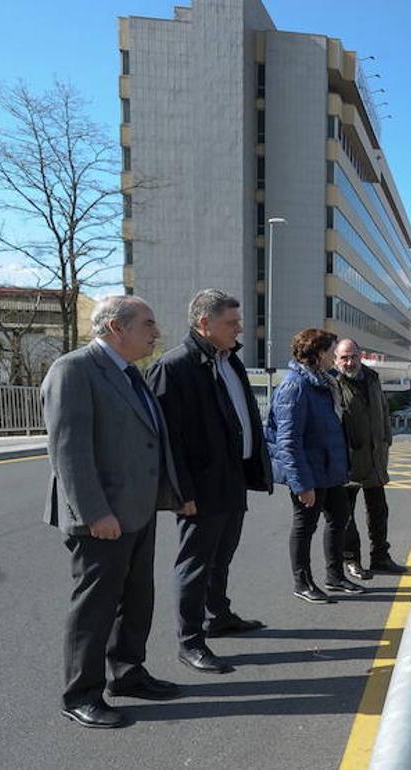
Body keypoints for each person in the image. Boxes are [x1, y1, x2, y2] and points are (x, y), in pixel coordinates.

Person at [42, 296, 182, 729]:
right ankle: (81, 693)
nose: (155, 333)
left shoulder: (129, 373)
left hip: (136, 511)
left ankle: (128, 672)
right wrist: (93, 513)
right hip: (102, 517)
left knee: (137, 597)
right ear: (116, 328)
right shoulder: (74, 369)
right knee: (96, 605)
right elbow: (69, 452)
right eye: (148, 323)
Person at [147, 289, 271, 676]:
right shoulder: (175, 366)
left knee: (223, 555)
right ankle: (190, 641)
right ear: (204, 323)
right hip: (199, 488)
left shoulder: (228, 361)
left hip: (231, 479)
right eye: (231, 323)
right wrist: (179, 492)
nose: (240, 330)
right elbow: (165, 439)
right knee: (195, 564)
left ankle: (219, 615)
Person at [265, 328, 363, 603]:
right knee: (304, 527)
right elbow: (288, 441)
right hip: (310, 473)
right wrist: (301, 484)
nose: (335, 357)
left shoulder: (323, 382)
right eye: (332, 351)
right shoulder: (295, 386)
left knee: (339, 519)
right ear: (319, 354)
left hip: (329, 470)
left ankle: (335, 576)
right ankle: (303, 582)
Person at [332, 338, 406, 579]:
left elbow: (383, 410)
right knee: (346, 516)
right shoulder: (333, 382)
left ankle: (380, 557)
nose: (349, 362)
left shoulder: (372, 378)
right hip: (349, 461)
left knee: (378, 511)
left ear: (360, 356)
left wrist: (386, 439)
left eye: (353, 356)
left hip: (375, 456)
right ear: (336, 359)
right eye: (344, 357)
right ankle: (352, 559)